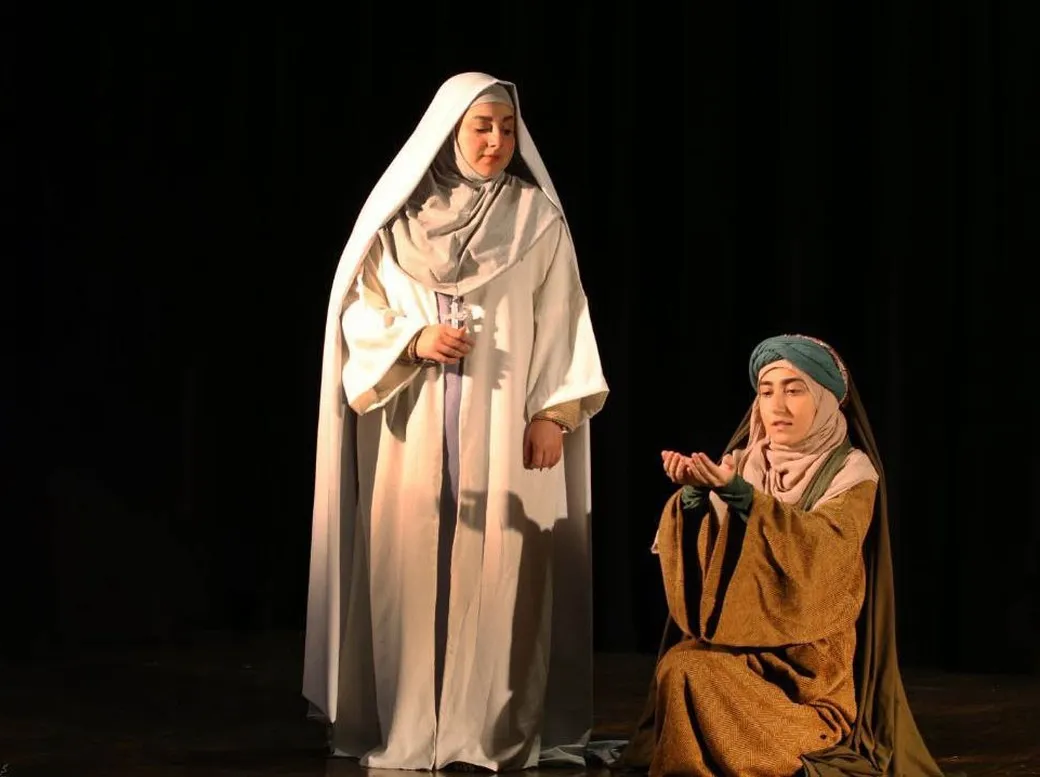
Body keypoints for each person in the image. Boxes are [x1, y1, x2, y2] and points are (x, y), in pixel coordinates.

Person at [301, 72, 610, 772]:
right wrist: (412, 340)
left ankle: (487, 731)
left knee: (500, 572)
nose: (496, 140)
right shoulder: (399, 220)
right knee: (407, 569)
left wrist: (552, 413)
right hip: (412, 425)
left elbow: (562, 317)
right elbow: (360, 311)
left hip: (504, 429)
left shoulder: (536, 219)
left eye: (507, 127)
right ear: (449, 133)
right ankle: (410, 725)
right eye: (482, 126)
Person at [612, 334, 955, 776]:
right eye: (767, 391)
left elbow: (823, 553)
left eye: (794, 390)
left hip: (808, 673)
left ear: (826, 400)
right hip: (740, 644)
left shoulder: (851, 473)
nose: (777, 406)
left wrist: (745, 500)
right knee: (679, 667)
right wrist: (695, 500)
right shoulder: (741, 464)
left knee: (697, 678)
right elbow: (711, 564)